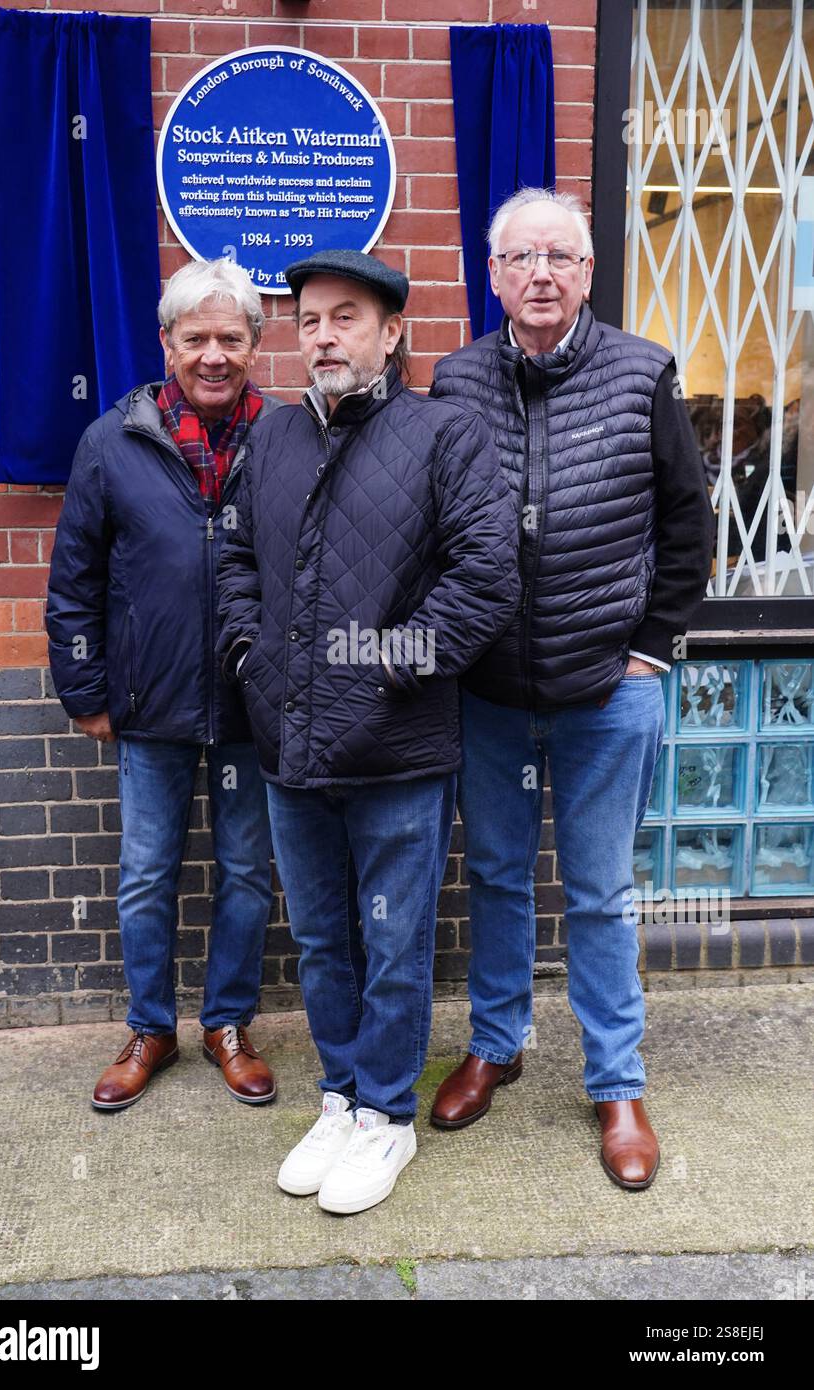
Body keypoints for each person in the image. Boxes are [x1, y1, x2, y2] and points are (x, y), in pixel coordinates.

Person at [217, 249, 519, 1214]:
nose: (323, 335)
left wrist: (392, 660)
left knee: (393, 942)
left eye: (346, 317)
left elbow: (484, 574)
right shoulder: (271, 441)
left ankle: (387, 1115)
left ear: (392, 332)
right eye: (308, 319)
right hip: (289, 741)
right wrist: (245, 658)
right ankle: (341, 1096)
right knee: (320, 940)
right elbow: (231, 560)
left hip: (395, 745)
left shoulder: (445, 434)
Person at [429, 188, 714, 1189]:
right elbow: (429, 530)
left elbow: (687, 529)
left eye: (560, 256)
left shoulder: (642, 374)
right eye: (521, 257)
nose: (541, 272)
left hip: (608, 688)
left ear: (586, 274)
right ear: (494, 274)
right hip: (491, 695)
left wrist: (650, 647)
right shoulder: (453, 381)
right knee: (498, 878)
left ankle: (615, 1082)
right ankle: (496, 1043)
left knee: (598, 893)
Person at [46, 258, 281, 1113]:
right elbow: (74, 582)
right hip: (148, 705)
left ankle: (228, 1024)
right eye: (196, 339)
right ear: (166, 344)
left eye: (230, 337)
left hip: (254, 705)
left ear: (256, 344)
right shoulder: (114, 442)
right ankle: (151, 1026)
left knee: (248, 872)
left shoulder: (287, 436)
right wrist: (86, 692)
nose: (213, 355)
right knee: (147, 873)